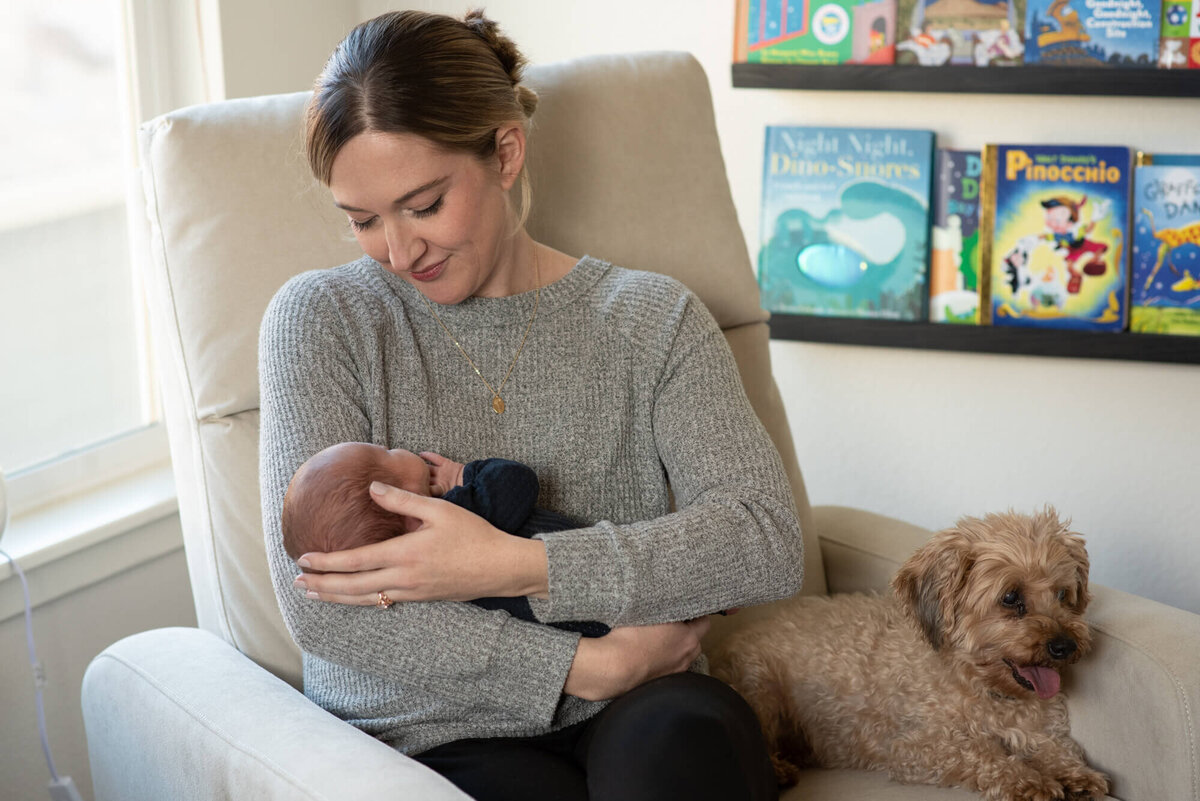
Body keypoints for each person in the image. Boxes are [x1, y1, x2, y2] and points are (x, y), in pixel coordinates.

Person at [258, 9, 803, 800]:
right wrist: (590, 664)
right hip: (436, 730)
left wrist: (516, 563)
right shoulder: (322, 320)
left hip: (651, 705)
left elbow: (764, 537)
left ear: (505, 153)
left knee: (682, 742)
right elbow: (324, 604)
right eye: (364, 221)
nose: (400, 252)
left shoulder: (651, 318)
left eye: (424, 204)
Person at [281, 441, 609, 637]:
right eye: (385, 451)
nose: (397, 445)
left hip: (576, 615)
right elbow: (518, 480)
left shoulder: (417, 584)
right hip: (599, 591)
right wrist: (465, 475)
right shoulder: (463, 515)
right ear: (399, 497)